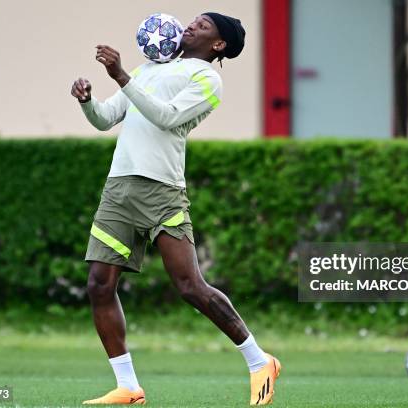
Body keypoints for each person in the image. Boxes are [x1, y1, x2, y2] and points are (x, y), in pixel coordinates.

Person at [70, 12, 281, 406]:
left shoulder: (207, 79)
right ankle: (129, 386)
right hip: (119, 188)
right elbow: (105, 119)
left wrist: (121, 76)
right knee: (99, 284)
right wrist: (87, 101)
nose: (191, 26)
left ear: (219, 45)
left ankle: (258, 360)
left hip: (162, 191)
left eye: (203, 26)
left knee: (190, 286)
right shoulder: (149, 67)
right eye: (194, 20)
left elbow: (166, 118)